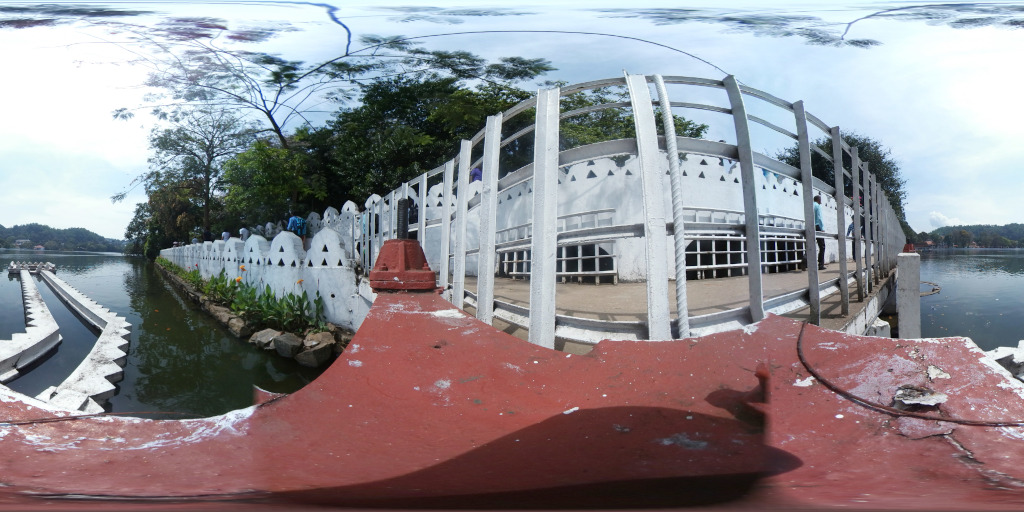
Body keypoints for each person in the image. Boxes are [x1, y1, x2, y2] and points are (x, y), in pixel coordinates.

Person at [813, 195, 826, 270]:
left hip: (811, 226)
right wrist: (822, 228)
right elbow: (819, 217)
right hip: (818, 226)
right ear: (818, 200)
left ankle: (805, 259)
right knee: (822, 246)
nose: (821, 201)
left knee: (811, 245)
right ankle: (820, 264)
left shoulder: (810, 205)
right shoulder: (818, 206)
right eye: (820, 200)